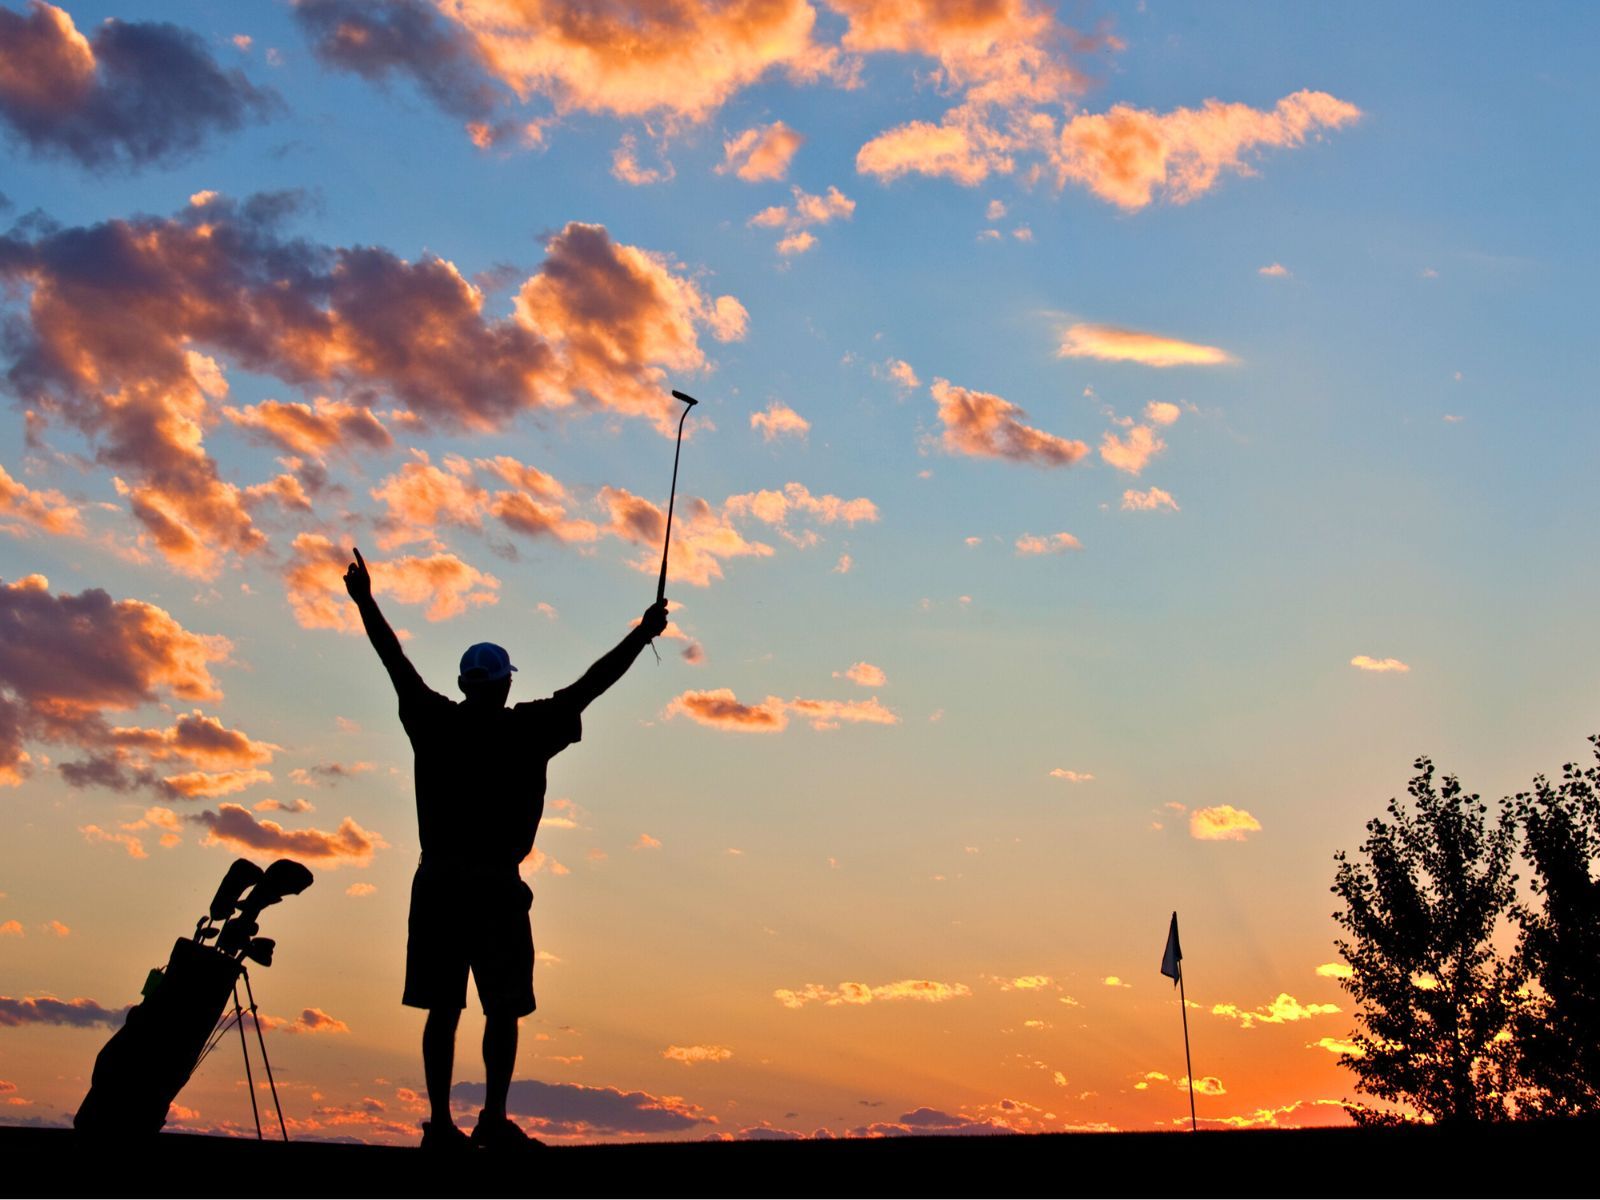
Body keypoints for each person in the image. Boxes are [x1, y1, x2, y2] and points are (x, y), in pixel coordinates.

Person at [342, 546, 669, 1151]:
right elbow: (592, 684)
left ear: (465, 684)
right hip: (495, 886)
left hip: (437, 883)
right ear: (504, 684)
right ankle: (491, 1117)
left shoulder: (433, 720)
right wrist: (642, 632)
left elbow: (394, 661)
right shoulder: (528, 729)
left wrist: (366, 601)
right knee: (503, 1007)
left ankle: (440, 1125)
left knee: (443, 1008)